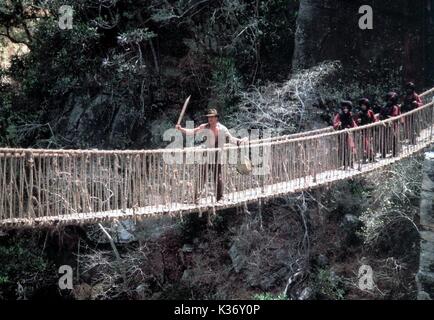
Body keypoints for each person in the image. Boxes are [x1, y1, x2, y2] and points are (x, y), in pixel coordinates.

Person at [176, 108, 246, 203]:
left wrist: (239, 142)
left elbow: (230, 139)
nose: (210, 119)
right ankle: (196, 198)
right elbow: (192, 132)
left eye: (212, 117)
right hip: (206, 155)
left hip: (217, 156)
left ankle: (220, 198)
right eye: (209, 118)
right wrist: (181, 129)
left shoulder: (222, 129)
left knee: (218, 177)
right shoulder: (204, 127)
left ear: (216, 118)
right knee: (201, 176)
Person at [333, 101, 358, 169]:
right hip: (341, 134)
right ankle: (345, 164)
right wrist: (338, 124)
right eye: (344, 108)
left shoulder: (349, 114)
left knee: (351, 147)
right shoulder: (339, 115)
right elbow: (335, 124)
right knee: (342, 148)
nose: (345, 109)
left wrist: (357, 128)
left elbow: (353, 123)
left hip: (348, 134)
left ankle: (351, 163)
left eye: (347, 108)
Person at [379, 92, 401, 158]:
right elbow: (380, 114)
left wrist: (389, 118)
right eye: (388, 100)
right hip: (385, 125)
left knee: (394, 138)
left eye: (391, 100)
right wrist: (381, 118)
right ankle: (383, 153)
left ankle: (395, 152)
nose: (389, 101)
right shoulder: (385, 107)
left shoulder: (395, 107)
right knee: (384, 139)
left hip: (393, 125)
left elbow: (395, 116)